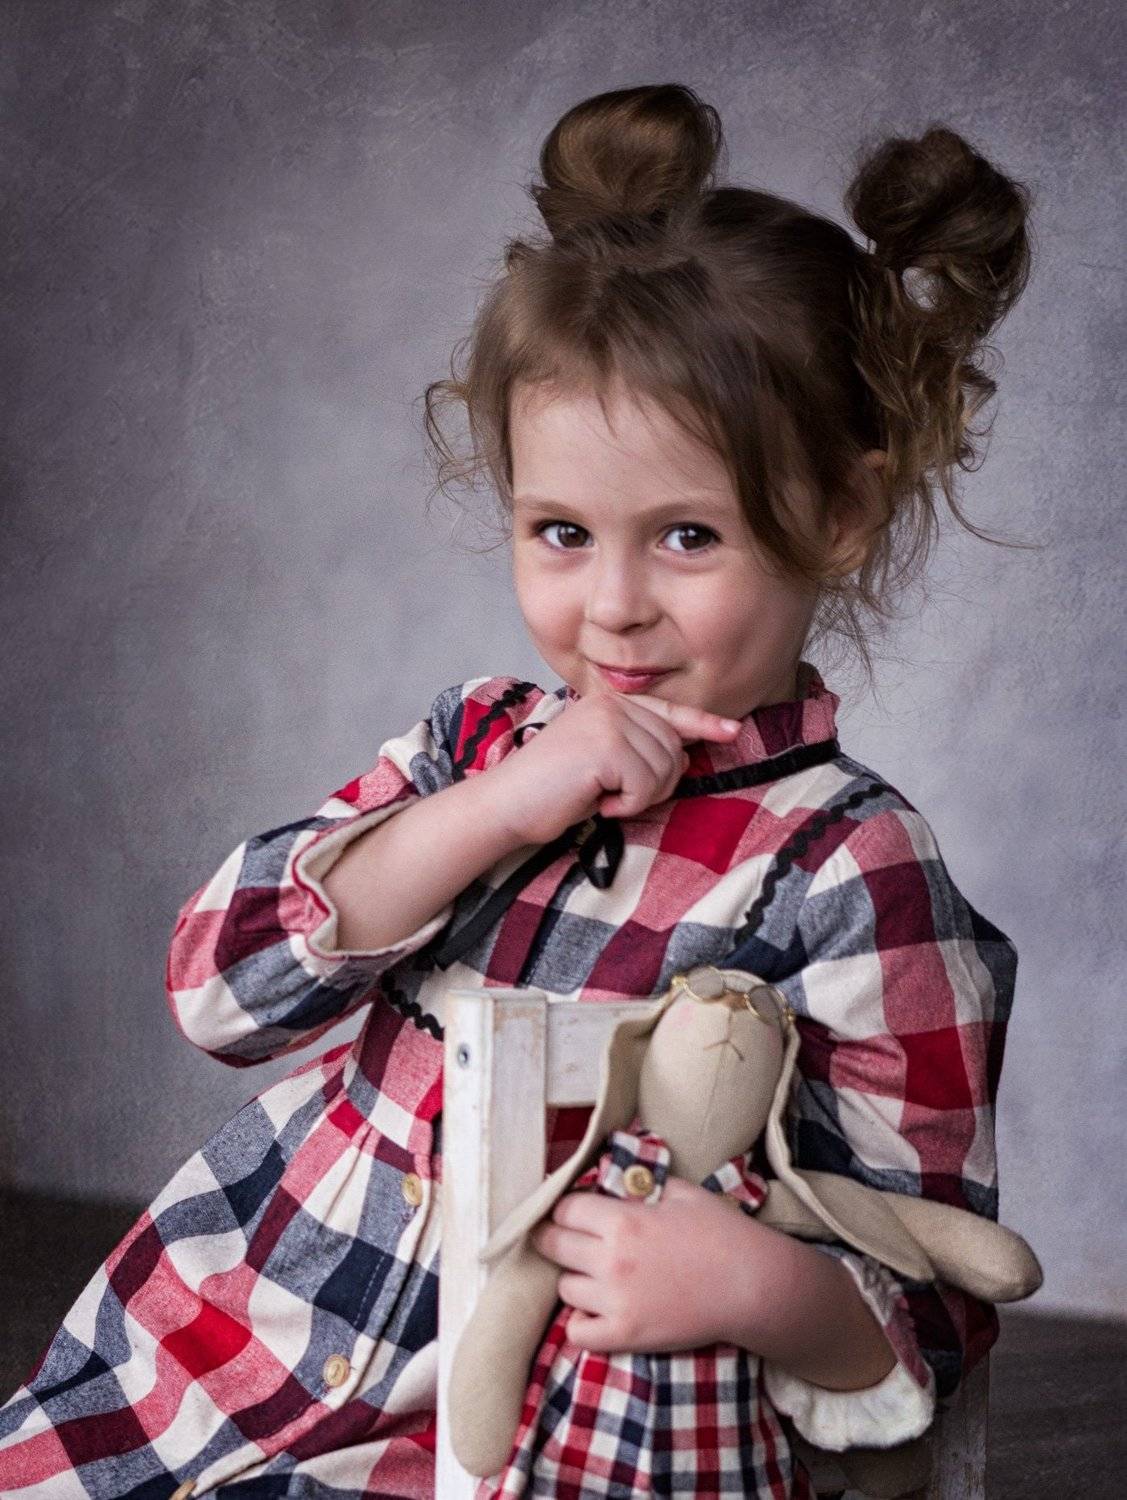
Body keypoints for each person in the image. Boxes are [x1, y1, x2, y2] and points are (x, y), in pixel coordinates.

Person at [0, 83, 1036, 1499]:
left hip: (530, 1438)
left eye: (687, 535)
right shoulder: (475, 742)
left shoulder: (855, 866)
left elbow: (937, 1289)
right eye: (560, 531)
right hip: (237, 1342)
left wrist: (763, 1288)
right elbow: (221, 994)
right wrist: (494, 807)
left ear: (841, 515)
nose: (612, 605)